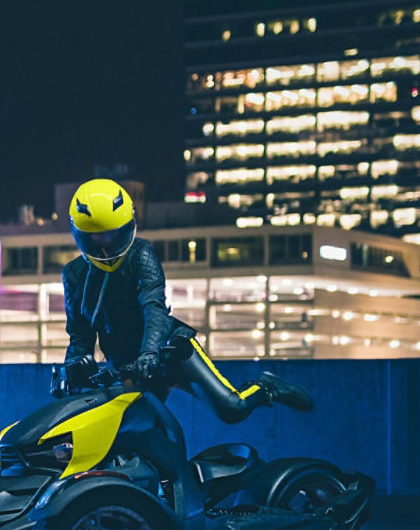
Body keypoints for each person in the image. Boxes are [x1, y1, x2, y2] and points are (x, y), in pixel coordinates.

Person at [56, 177, 314, 424]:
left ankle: (266, 387)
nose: (106, 244)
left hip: (172, 353)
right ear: (80, 234)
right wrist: (74, 368)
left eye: (113, 234)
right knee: (133, 433)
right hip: (127, 367)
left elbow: (154, 307)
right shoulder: (74, 274)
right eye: (97, 237)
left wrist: (150, 353)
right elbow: (80, 335)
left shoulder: (141, 255)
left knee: (232, 409)